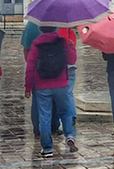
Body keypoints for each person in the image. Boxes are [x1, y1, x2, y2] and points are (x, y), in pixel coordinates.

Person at [25, 25, 78, 158]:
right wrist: (71, 46)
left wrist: (28, 86)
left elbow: (30, 66)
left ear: (41, 29)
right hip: (61, 84)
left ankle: (47, 148)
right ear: (55, 27)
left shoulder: (36, 44)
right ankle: (70, 135)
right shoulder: (62, 41)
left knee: (44, 117)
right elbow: (72, 60)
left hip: (42, 86)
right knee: (65, 112)